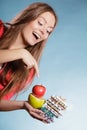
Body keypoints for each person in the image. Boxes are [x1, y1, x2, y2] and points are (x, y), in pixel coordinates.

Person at [0, 2, 58, 123]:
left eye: (48, 31)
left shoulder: (27, 70)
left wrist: (23, 105)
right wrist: (21, 53)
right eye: (40, 23)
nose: (43, 31)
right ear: (27, 16)